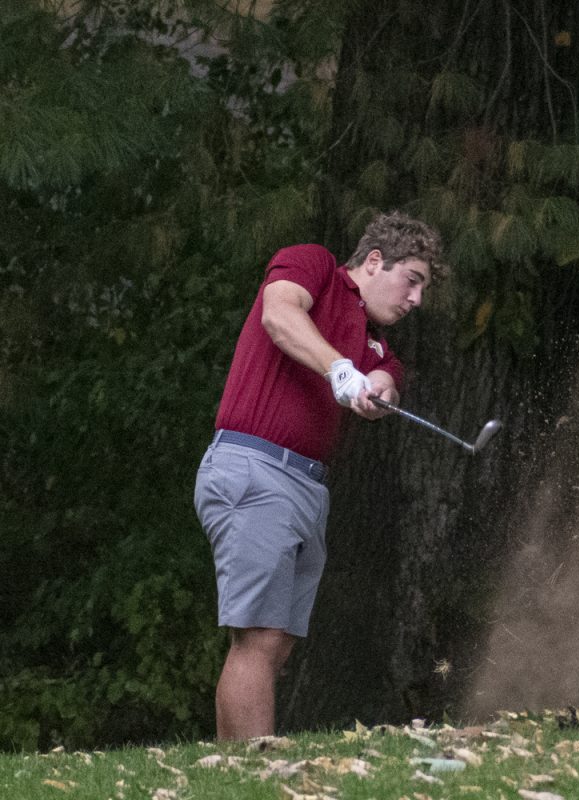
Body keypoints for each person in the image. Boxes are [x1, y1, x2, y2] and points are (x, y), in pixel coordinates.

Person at [193, 210, 445, 741]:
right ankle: (258, 776)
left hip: (305, 487)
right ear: (375, 261)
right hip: (254, 465)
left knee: (275, 644)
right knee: (259, 639)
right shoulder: (315, 266)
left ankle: (234, 773)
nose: (416, 299)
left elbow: (384, 380)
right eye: (413, 280)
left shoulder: (378, 346)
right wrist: (338, 368)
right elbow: (278, 313)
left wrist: (376, 388)